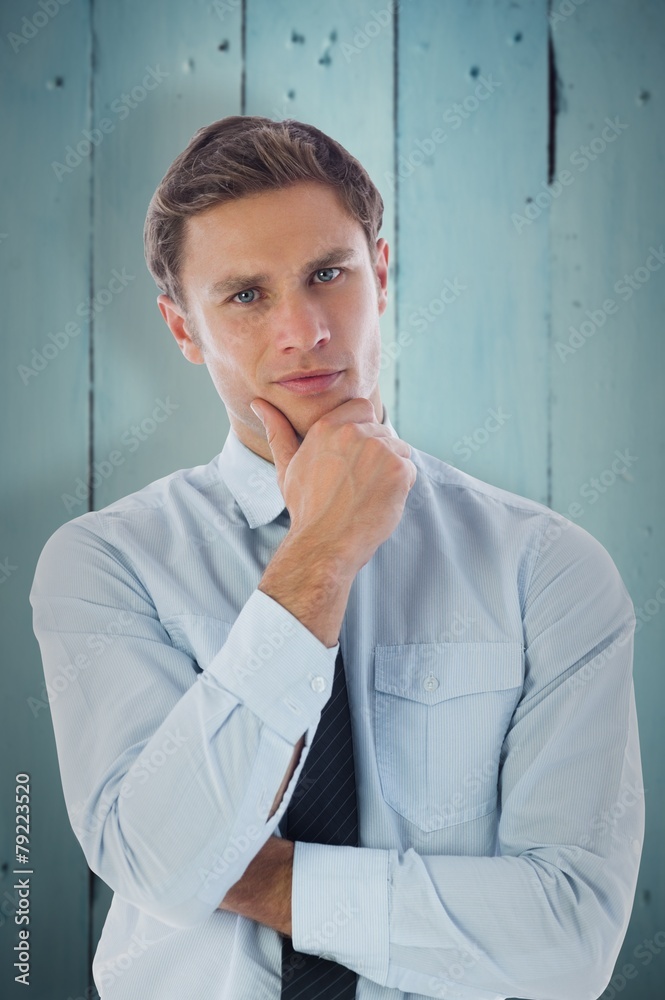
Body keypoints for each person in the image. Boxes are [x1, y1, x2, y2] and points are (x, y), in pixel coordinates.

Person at [30, 115, 644, 1000]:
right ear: (182, 329)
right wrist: (319, 552)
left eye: (329, 275)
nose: (304, 330)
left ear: (381, 275)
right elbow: (160, 867)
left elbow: (568, 944)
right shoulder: (102, 564)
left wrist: (254, 874)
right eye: (245, 296)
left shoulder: (546, 569)